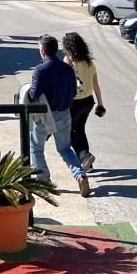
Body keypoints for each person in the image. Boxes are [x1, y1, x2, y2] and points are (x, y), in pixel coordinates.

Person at [28, 34, 91, 196]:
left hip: (45, 116)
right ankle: (80, 175)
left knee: (36, 148)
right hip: (64, 114)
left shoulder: (40, 69)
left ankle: (45, 182)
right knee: (65, 149)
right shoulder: (67, 68)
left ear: (43, 51)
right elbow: (73, 92)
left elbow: (34, 95)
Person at [62, 31, 105, 173]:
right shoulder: (89, 63)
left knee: (71, 132)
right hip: (88, 102)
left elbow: (65, 84)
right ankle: (87, 162)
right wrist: (100, 103)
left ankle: (85, 157)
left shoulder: (68, 61)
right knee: (80, 130)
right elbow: (96, 85)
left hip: (74, 102)